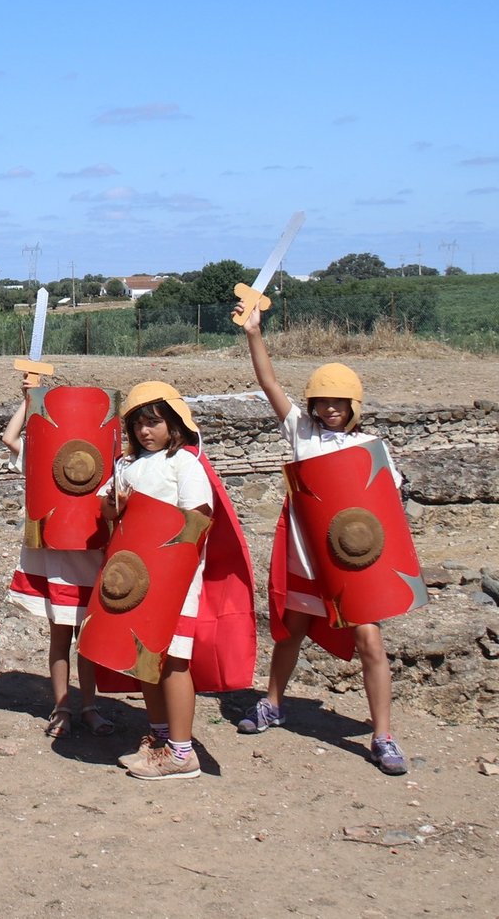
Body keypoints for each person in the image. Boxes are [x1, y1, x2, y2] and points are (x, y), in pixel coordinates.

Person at [236, 300, 411, 775]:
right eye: (323, 402)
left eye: (339, 403)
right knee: (289, 634)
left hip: (351, 566)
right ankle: (273, 703)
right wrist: (255, 333)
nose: (330, 409)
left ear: (354, 406)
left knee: (370, 642)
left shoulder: (370, 450)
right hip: (305, 558)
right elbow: (269, 384)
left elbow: (384, 514)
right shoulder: (302, 431)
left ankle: (383, 735)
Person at [98, 383, 213, 781]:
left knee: (175, 660)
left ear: (173, 423)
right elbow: (107, 509)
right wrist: (116, 503)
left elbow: (196, 519)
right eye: (137, 424)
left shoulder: (184, 463)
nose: (145, 431)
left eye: (154, 421)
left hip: (174, 577)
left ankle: (182, 752)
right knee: (144, 657)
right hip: (137, 578)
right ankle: (161, 736)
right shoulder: (126, 466)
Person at [2, 376, 114, 738]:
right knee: (60, 637)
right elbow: (9, 439)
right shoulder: (41, 456)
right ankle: (62, 706)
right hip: (58, 557)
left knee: (91, 638)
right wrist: (29, 401)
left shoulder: (110, 464)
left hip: (92, 552)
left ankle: (89, 706)